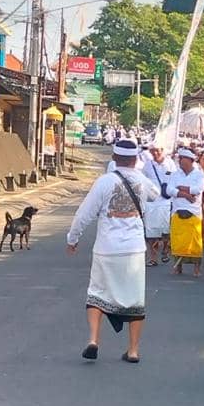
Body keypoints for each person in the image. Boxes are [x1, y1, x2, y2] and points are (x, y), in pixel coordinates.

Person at [66, 138, 159, 364]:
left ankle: (93, 339)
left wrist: (73, 238)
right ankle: (133, 350)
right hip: (134, 249)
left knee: (97, 293)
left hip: (107, 248)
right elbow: (156, 193)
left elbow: (85, 212)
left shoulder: (104, 181)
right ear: (135, 159)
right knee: (135, 299)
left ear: (114, 158)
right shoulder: (142, 180)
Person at [167, 147, 204, 277]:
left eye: (182, 159)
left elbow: (198, 189)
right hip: (177, 210)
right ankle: (178, 267)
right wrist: (186, 195)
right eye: (179, 158)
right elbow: (169, 190)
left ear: (190, 160)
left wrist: (181, 188)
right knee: (177, 241)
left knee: (195, 242)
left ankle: (197, 269)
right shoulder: (175, 174)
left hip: (193, 212)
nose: (179, 161)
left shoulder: (199, 174)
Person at [142, 143, 175, 265]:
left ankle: (165, 250)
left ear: (162, 150)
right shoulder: (147, 165)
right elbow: (142, 181)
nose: (155, 153)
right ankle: (153, 257)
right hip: (151, 202)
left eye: (157, 151)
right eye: (152, 151)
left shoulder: (170, 164)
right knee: (151, 231)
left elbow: (175, 180)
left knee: (166, 229)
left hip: (166, 201)